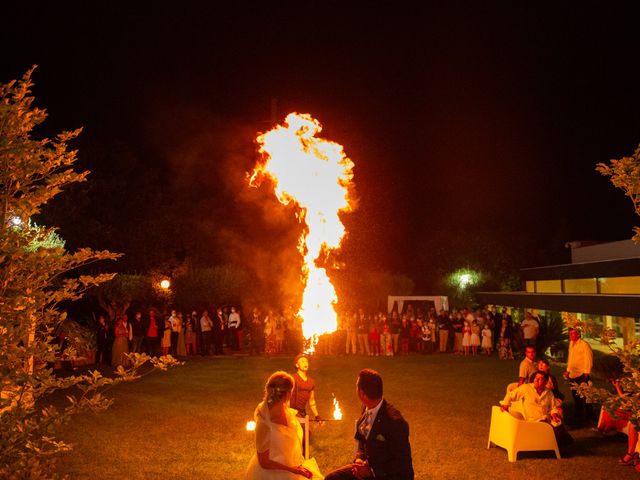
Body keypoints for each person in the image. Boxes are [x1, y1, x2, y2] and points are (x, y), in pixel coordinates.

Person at [325, 369, 414, 480]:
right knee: (332, 478)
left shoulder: (394, 421)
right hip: (368, 467)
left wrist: (372, 472)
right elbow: (362, 439)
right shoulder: (367, 407)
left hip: (387, 475)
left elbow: (402, 463)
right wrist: (359, 460)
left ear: (362, 394)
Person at [245, 371, 324, 479]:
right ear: (287, 394)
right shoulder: (264, 422)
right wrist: (293, 470)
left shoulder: (285, 409)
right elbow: (264, 462)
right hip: (273, 473)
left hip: (293, 466)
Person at [500, 370, 572, 447]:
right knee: (554, 431)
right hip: (533, 420)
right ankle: (558, 447)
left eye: (540, 378)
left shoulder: (549, 393)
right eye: (536, 378)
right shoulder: (525, 388)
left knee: (559, 425)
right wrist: (505, 404)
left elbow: (553, 407)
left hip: (546, 419)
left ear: (545, 382)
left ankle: (563, 446)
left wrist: (554, 415)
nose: (537, 380)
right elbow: (510, 395)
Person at [563, 327, 594, 427]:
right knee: (575, 396)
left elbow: (589, 358)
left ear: (578, 334)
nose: (571, 335)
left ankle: (589, 417)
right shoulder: (571, 344)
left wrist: (586, 372)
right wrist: (568, 370)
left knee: (586, 396)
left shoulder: (584, 345)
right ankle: (579, 415)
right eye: (570, 333)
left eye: (573, 333)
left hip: (582, 374)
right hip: (573, 373)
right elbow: (570, 358)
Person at [290, 355, 321, 421]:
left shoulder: (311, 382)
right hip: (291, 412)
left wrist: (317, 416)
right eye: (302, 362)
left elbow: (312, 400)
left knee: (307, 431)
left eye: (306, 361)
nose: (305, 363)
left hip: (302, 413)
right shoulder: (292, 378)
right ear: (297, 365)